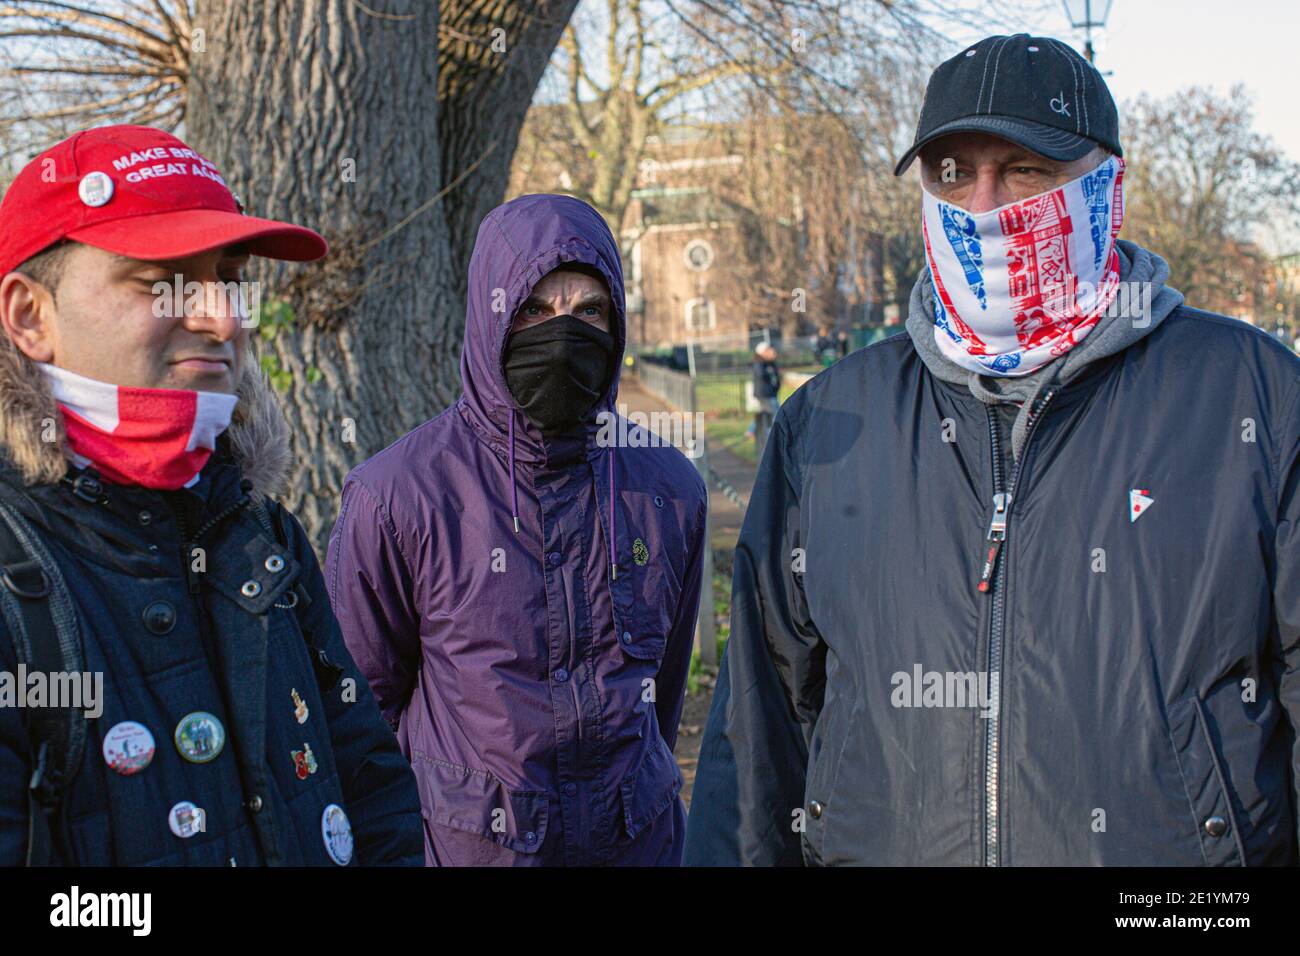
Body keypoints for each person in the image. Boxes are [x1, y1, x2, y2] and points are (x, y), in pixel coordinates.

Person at [686, 34, 1300, 866]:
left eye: (1024, 170)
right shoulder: (826, 425)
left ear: (1107, 190)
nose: (982, 204)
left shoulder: (1254, 397)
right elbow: (758, 734)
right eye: (951, 173)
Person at [0, 125, 423, 865]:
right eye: (161, 279)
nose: (223, 318)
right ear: (31, 316)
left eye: (229, 278)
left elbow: (371, 786)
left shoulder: (259, 530)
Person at [326, 193, 707, 866]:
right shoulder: (397, 497)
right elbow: (359, 721)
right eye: (535, 308)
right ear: (490, 315)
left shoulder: (667, 489)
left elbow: (664, 693)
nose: (563, 334)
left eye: (588, 311)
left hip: (637, 847)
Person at [750, 343, 781, 457]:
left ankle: (751, 431)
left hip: (771, 393)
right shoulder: (759, 363)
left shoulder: (770, 363)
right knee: (774, 414)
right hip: (765, 394)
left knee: (768, 413)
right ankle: (768, 438)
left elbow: (776, 376)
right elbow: (761, 375)